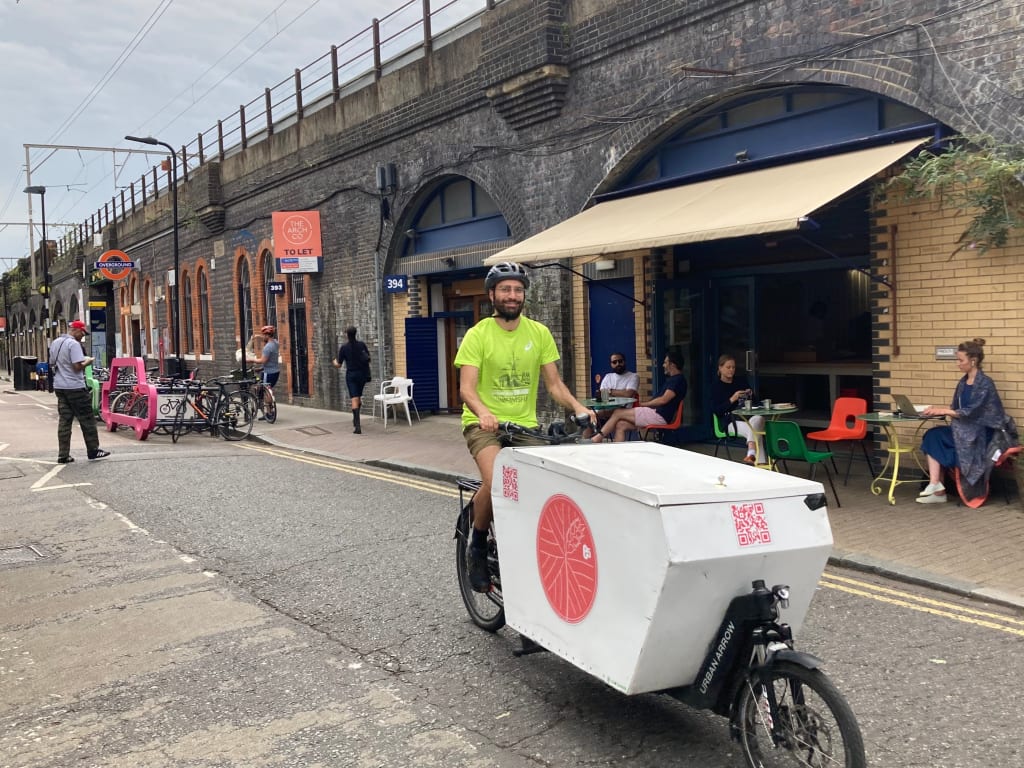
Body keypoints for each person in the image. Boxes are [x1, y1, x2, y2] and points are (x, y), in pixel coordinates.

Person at [454, 262, 595, 592]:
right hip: (483, 425)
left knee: (545, 483)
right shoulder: (478, 335)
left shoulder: (538, 333)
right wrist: (483, 412)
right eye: (505, 289)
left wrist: (578, 407)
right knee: (498, 480)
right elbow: (466, 389)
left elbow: (554, 384)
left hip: (524, 426)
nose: (512, 295)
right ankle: (477, 544)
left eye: (518, 290)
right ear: (492, 295)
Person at [917, 338, 1010, 504]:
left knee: (938, 439)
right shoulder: (963, 382)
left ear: (973, 361)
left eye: (960, 360)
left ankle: (938, 489)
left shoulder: (985, 384)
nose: (957, 364)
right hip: (963, 429)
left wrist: (944, 411)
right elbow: (956, 408)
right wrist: (935, 410)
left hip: (982, 434)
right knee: (932, 435)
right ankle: (936, 486)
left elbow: (972, 411)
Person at [591, 348, 686, 443]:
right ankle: (618, 450)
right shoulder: (674, 380)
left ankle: (597, 438)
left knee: (618, 412)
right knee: (621, 425)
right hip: (655, 414)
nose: (663, 365)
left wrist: (643, 404)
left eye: (665, 363)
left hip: (659, 416)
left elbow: (663, 400)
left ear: (672, 364)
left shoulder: (677, 381)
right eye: (614, 362)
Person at [48, 320, 110, 464]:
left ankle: (63, 454)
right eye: (82, 332)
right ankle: (93, 450)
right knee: (87, 419)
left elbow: (52, 363)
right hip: (75, 387)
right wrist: (89, 361)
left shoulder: (55, 343)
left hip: (60, 387)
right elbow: (77, 366)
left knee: (65, 421)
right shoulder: (73, 344)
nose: (82, 336)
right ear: (75, 330)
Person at [711, 353, 762, 464]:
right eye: (728, 367)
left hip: (747, 417)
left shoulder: (740, 381)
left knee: (758, 419)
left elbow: (756, 402)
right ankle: (758, 459)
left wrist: (750, 394)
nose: (731, 370)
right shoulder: (716, 387)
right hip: (729, 421)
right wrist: (732, 399)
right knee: (755, 430)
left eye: (733, 367)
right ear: (720, 368)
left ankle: (752, 456)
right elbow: (717, 411)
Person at [583, 353, 640, 437]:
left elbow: (628, 394)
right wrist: (619, 393)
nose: (618, 364)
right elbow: (603, 395)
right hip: (607, 408)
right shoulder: (608, 377)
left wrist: (610, 391)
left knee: (591, 415)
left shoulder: (633, 376)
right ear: (611, 364)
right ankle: (587, 441)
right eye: (614, 362)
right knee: (588, 416)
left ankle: (594, 438)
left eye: (620, 361)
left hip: (624, 409)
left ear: (624, 362)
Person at [332, 326, 371, 434]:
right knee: (358, 396)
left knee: (354, 398)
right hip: (362, 374)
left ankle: (357, 426)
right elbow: (368, 358)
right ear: (355, 333)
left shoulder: (344, 348)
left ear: (347, 335)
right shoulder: (362, 345)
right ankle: (355, 419)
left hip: (351, 375)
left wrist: (334, 362)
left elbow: (339, 364)